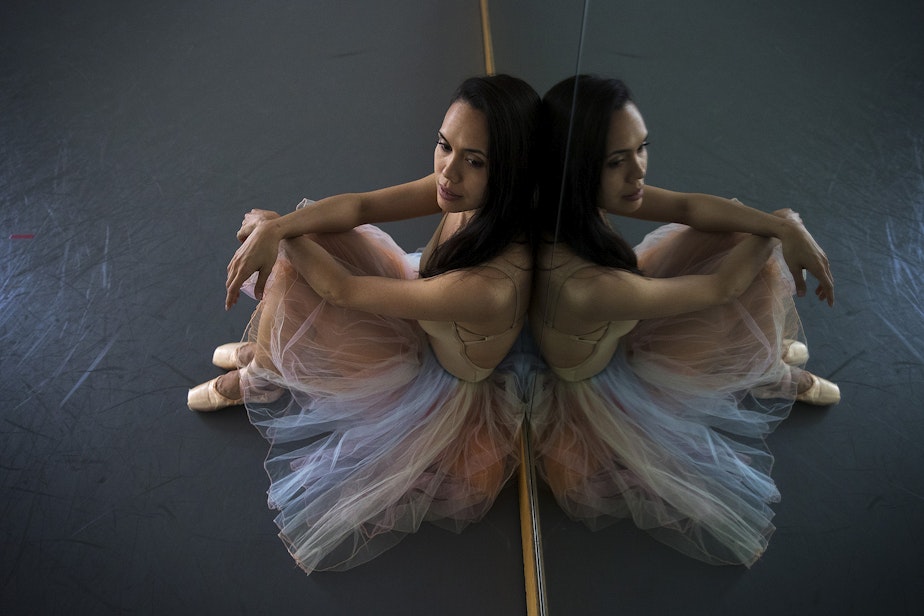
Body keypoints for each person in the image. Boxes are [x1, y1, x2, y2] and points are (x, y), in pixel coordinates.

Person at [187, 75, 540, 574]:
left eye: (475, 161)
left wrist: (275, 230)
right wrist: (284, 225)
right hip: (425, 311)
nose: (449, 171)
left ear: (511, 172)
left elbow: (343, 292)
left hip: (432, 374)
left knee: (301, 259)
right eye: (445, 145)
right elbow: (363, 206)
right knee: (317, 228)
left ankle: (263, 376)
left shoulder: (494, 284)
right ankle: (266, 361)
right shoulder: (466, 195)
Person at [528, 74, 840, 567]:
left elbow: (687, 206)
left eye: (641, 148)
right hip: (607, 369)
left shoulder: (571, 197)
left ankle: (755, 354)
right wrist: (784, 222)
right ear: (576, 167)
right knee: (748, 250)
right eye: (616, 161)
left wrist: (777, 226)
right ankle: (761, 368)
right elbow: (721, 290)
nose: (638, 173)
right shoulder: (580, 283)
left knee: (735, 224)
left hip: (623, 313)